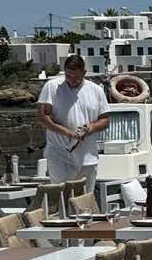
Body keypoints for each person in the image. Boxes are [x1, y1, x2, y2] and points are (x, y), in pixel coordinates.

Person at [36, 55, 110, 185]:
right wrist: (68, 132)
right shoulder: (52, 86)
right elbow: (42, 118)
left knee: (85, 196)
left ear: (84, 73)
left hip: (88, 156)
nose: (71, 80)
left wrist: (91, 127)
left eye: (76, 77)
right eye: (68, 76)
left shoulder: (96, 90)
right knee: (61, 194)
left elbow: (105, 120)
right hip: (59, 155)